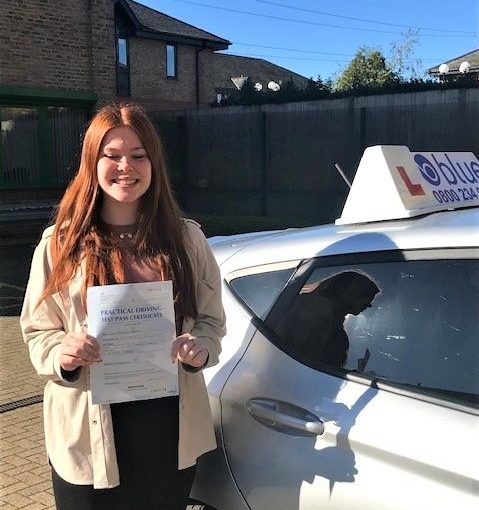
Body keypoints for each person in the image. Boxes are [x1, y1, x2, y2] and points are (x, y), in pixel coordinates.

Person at [20, 103, 226, 510]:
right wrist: (62, 353)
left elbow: (211, 321)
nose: (125, 167)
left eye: (138, 156)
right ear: (92, 163)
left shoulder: (187, 240)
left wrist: (199, 349)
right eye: (111, 156)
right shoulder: (59, 244)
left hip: (168, 430)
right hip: (88, 434)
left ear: (154, 163)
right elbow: (38, 331)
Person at [284, 271, 380, 368]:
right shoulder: (317, 308)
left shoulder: (334, 318)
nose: (369, 305)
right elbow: (304, 356)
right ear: (353, 293)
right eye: (367, 298)